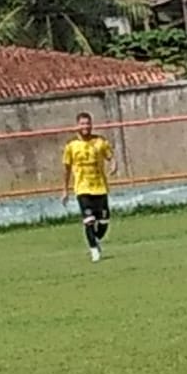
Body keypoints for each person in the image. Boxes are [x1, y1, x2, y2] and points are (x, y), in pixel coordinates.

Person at [61, 112, 117, 262]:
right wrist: (65, 190)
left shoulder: (100, 141)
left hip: (100, 187)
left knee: (104, 222)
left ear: (91, 125)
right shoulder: (71, 145)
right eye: (82, 123)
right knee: (89, 220)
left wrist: (114, 165)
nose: (85, 126)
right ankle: (94, 250)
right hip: (82, 188)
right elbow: (66, 169)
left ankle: (95, 240)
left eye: (87, 123)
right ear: (77, 125)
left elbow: (110, 157)